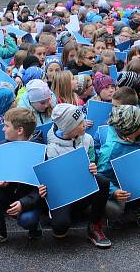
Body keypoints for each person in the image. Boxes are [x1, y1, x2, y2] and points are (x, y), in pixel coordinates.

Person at [40, 104, 112, 248]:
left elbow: (92, 160)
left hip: (82, 185)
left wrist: (92, 167)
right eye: (80, 123)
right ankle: (62, 214)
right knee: (60, 229)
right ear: (68, 128)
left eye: (83, 120)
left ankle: (94, 226)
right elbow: (51, 179)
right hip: (63, 193)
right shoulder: (52, 148)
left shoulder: (87, 139)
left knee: (102, 182)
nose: (85, 124)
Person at [0, 108, 43, 250]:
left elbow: (42, 188)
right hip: (8, 194)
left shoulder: (40, 150)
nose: (3, 129)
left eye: (6, 126)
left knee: (27, 220)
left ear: (19, 130)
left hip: (29, 199)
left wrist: (24, 203)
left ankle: (34, 225)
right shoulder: (1, 147)